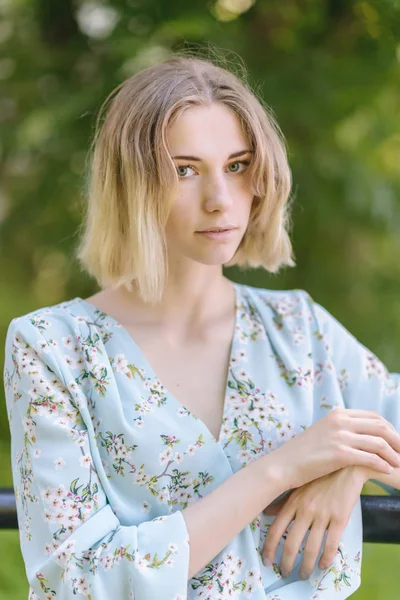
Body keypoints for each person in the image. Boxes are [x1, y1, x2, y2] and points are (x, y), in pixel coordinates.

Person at [3, 51, 400, 600]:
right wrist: (282, 469)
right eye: (184, 170)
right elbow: (75, 582)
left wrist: (350, 464)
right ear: (132, 185)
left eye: (237, 166)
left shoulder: (299, 329)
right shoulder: (52, 348)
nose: (219, 201)